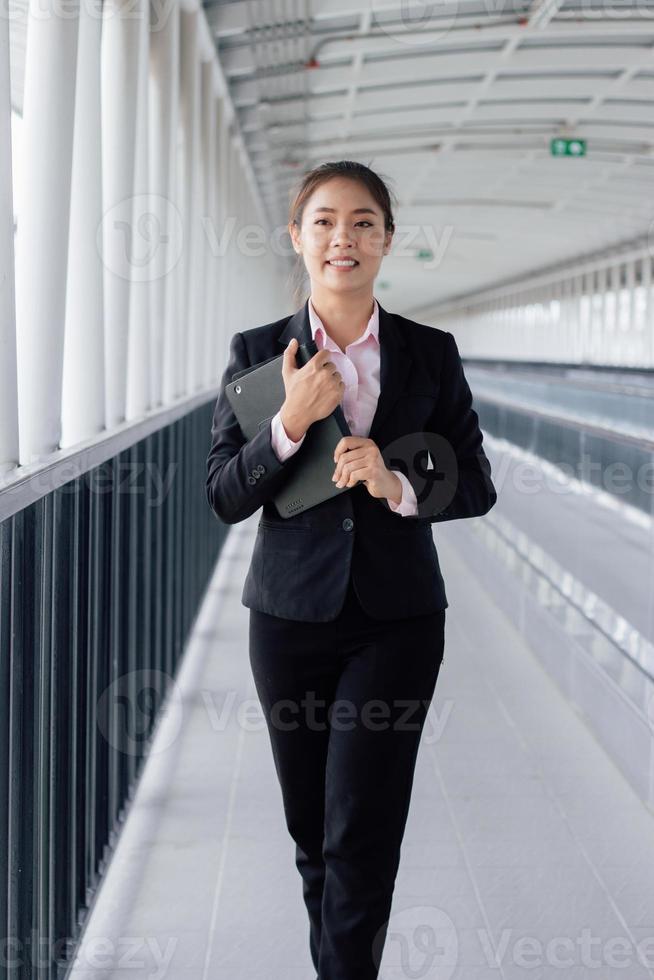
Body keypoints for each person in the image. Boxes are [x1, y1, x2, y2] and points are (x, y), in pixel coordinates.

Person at [205, 160, 497, 980]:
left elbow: (476, 483)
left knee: (361, 832)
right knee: (313, 836)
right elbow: (225, 495)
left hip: (398, 623)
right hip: (289, 620)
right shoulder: (260, 353)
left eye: (364, 222)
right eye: (325, 221)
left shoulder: (430, 355)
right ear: (298, 238)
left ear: (388, 241)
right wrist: (290, 424)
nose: (345, 238)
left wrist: (395, 483)